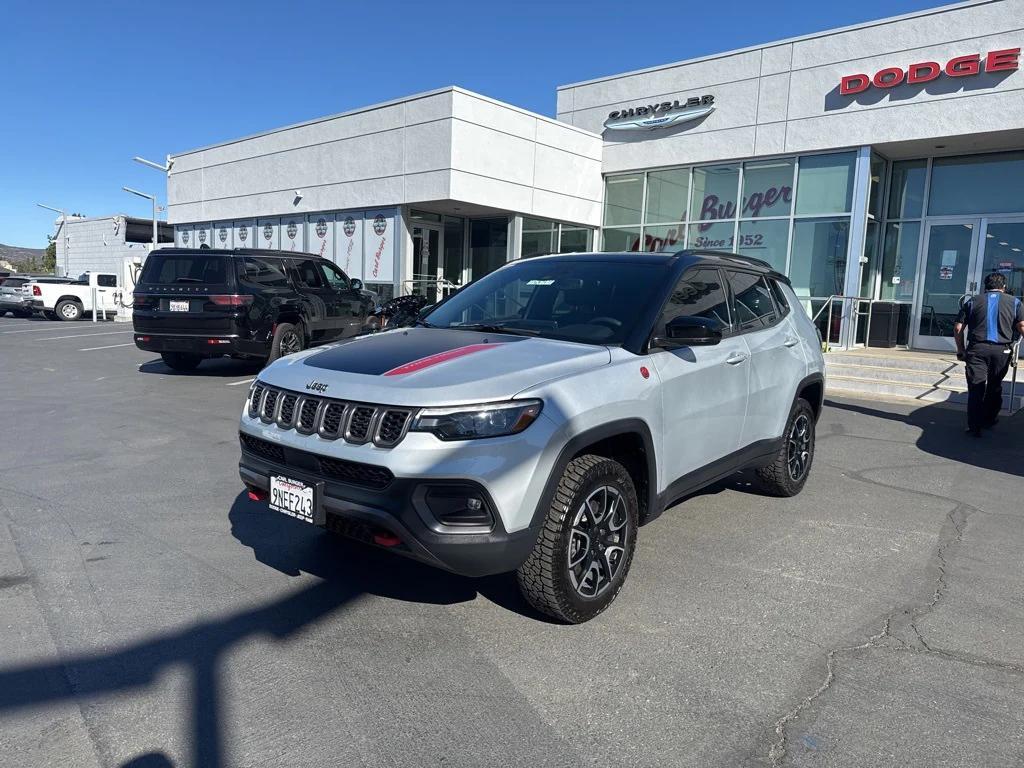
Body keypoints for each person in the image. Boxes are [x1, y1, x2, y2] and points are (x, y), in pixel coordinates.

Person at [953, 272, 1024, 437]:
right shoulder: (1015, 302)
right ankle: (989, 419)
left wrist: (961, 349)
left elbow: (958, 328)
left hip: (977, 349)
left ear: (985, 287)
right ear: (1004, 286)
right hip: (1002, 350)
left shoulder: (972, 301)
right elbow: (1022, 326)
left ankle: (974, 426)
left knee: (976, 388)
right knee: (995, 385)